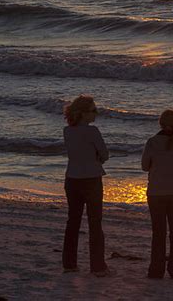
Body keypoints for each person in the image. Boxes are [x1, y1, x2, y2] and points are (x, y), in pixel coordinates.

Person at [62, 94, 112, 277]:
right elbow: (104, 154)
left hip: (72, 178)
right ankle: (97, 266)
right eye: (93, 111)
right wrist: (97, 158)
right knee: (95, 223)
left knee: (73, 221)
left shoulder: (67, 131)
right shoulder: (93, 132)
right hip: (91, 179)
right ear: (83, 114)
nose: (96, 114)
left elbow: (76, 152)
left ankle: (69, 263)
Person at [141, 109, 173, 280]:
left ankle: (156, 270)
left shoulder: (152, 142)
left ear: (160, 123)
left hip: (156, 191)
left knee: (158, 232)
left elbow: (144, 166)